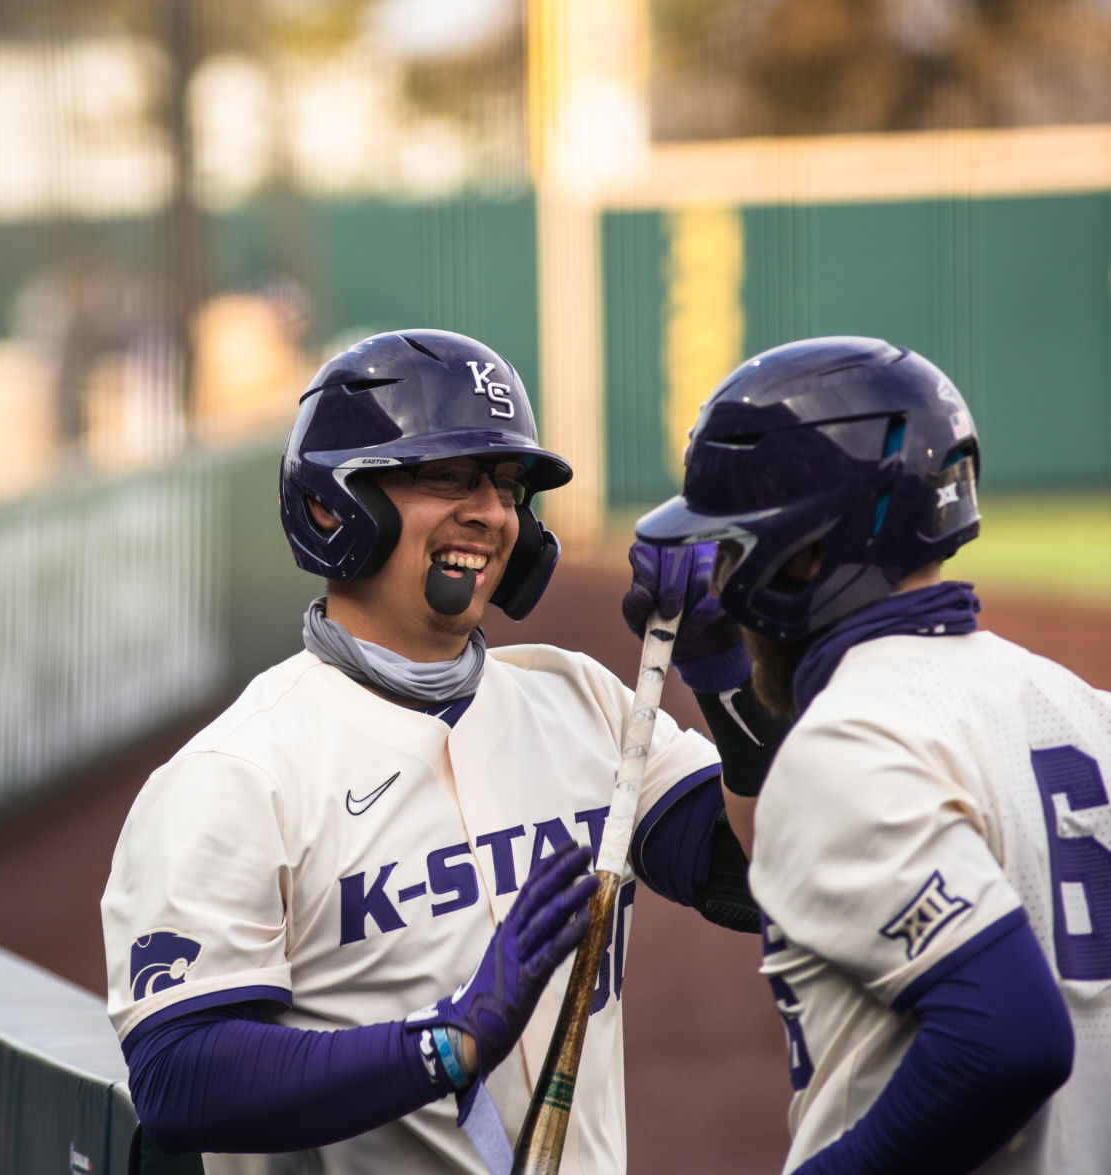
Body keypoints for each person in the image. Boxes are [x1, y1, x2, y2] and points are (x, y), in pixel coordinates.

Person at [101, 329, 758, 1175]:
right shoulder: (239, 773)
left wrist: (721, 671)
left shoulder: (583, 702)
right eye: (446, 476)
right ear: (336, 505)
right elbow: (178, 1076)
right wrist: (440, 1046)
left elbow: (759, 874)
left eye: (505, 484)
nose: (488, 511)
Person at [631, 335, 1106, 1174]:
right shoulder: (1077, 705)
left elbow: (1010, 1040)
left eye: (734, 546)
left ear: (803, 556)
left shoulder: (848, 741)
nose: (722, 582)